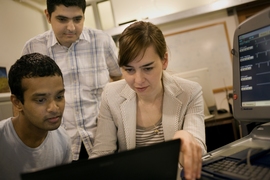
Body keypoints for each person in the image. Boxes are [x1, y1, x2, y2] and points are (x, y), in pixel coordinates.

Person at [90, 21, 207, 180]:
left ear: (164, 60)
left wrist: (185, 141)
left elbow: (197, 149)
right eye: (129, 70)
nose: (138, 80)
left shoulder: (190, 92)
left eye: (148, 68)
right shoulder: (111, 95)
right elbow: (101, 154)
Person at [21, 0, 122, 161]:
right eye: (62, 19)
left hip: (103, 142)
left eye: (77, 19)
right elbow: (21, 98)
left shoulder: (102, 41)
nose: (71, 27)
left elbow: (120, 78)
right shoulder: (33, 48)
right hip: (56, 147)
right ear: (48, 16)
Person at [0, 53, 72, 180]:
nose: (54, 108)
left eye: (59, 97)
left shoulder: (63, 140)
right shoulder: (3, 139)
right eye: (40, 100)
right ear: (17, 103)